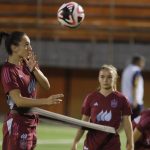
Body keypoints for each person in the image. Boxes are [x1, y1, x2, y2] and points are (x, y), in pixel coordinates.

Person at [0, 31, 64, 150]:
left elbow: (46, 85)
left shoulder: (27, 63)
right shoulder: (8, 70)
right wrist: (46, 101)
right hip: (17, 123)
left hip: (32, 122)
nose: (30, 48)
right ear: (14, 48)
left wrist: (34, 69)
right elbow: (19, 101)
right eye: (26, 45)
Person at [71, 64, 134, 150]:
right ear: (98, 78)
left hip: (112, 145)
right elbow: (83, 122)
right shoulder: (90, 97)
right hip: (91, 144)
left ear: (114, 79)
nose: (105, 80)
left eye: (109, 77)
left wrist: (130, 143)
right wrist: (75, 141)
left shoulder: (122, 99)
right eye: (102, 77)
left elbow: (127, 123)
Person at [121, 56, 145, 120]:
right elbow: (135, 85)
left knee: (126, 122)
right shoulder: (136, 70)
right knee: (138, 123)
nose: (143, 65)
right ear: (138, 62)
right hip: (135, 101)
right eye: (142, 63)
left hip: (126, 100)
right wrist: (135, 100)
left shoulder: (126, 70)